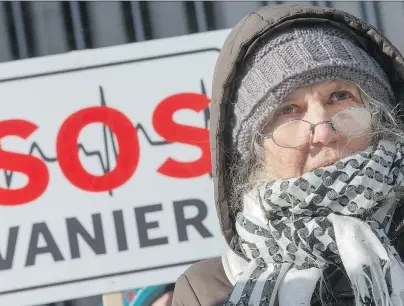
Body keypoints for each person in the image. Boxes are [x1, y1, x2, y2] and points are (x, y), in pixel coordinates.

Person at [172, 4, 404, 306]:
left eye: (339, 97)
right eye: (288, 111)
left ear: (379, 117)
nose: (323, 131)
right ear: (255, 150)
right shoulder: (207, 291)